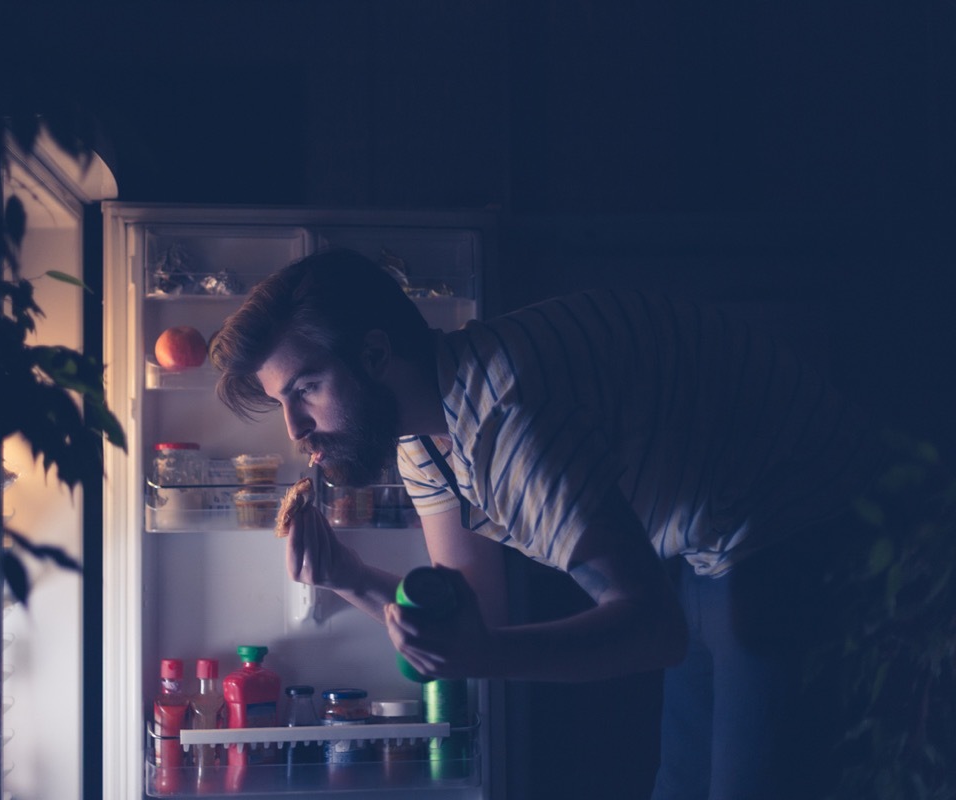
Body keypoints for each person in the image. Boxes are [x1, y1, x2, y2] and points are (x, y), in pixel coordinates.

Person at [208, 248, 883, 799]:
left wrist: (483, 655)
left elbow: (650, 629)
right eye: (281, 402)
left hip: (803, 516)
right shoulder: (426, 436)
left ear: (377, 354)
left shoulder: (506, 417)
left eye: (306, 390)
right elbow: (479, 615)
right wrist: (348, 577)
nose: (296, 429)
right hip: (707, 548)